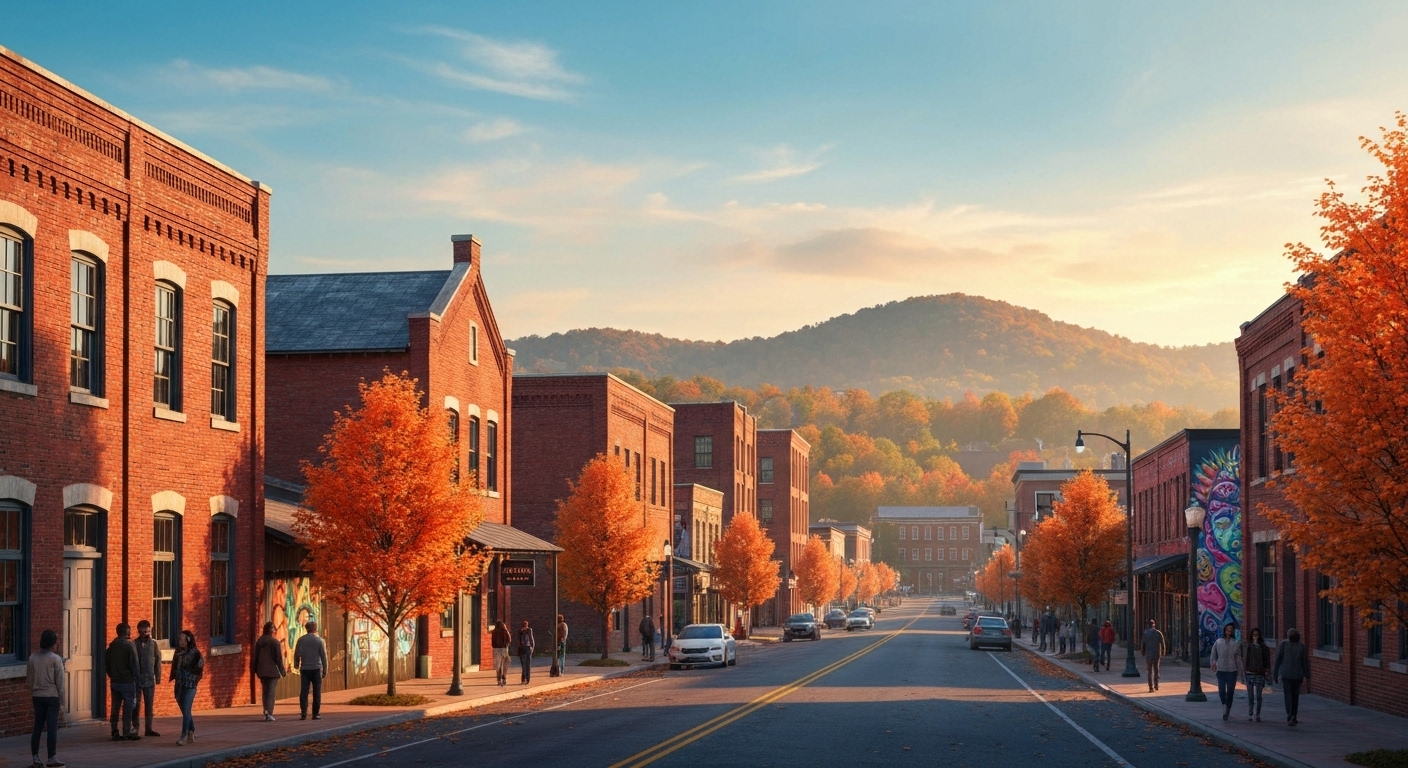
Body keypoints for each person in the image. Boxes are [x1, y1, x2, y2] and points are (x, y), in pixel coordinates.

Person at [27, 628, 65, 767]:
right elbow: (60, 682)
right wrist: (62, 699)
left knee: (37, 726)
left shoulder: (32, 658)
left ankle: (36, 757)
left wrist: (36, 688)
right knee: (52, 727)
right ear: (53, 644)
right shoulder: (56, 659)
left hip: (37, 696)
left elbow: (29, 681)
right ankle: (52, 757)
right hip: (52, 696)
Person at [105, 622, 140, 741]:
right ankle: (127, 731)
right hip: (127, 681)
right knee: (128, 707)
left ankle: (114, 729)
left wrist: (112, 675)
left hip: (115, 681)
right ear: (127, 632)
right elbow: (134, 665)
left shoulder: (111, 646)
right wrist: (137, 679)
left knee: (115, 707)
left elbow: (107, 664)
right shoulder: (130, 646)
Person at [170, 630, 204, 746]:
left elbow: (199, 670)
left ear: (188, 640)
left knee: (186, 708)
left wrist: (192, 679)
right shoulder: (177, 652)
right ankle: (191, 730)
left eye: (182, 639)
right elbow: (174, 667)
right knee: (185, 711)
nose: (180, 641)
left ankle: (184, 735)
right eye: (179, 639)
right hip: (179, 684)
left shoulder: (195, 653)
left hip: (190, 685)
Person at [1273, 628, 1310, 726]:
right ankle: (1293, 715)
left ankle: (1290, 714)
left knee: (1288, 695)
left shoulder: (1284, 645)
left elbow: (1278, 660)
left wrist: (1275, 673)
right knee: (1295, 696)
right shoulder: (1301, 646)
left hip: (1287, 674)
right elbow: (1305, 662)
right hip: (1298, 675)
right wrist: (1307, 674)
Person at [133, 620, 162, 737]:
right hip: (137, 679)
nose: (146, 632)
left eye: (147, 630)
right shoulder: (134, 644)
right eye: (143, 630)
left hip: (149, 679)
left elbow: (158, 660)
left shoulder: (154, 644)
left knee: (149, 705)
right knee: (136, 705)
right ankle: (135, 728)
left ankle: (148, 728)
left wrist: (158, 676)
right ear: (139, 630)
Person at [294, 620, 328, 720]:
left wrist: (296, 664)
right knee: (317, 691)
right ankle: (315, 713)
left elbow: (297, 653)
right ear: (315, 628)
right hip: (316, 668)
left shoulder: (301, 640)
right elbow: (323, 656)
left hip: (305, 668)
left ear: (307, 628)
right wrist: (325, 669)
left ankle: (303, 712)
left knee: (304, 691)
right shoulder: (320, 640)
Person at [253, 621, 287, 721]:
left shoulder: (259, 642)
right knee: (271, 692)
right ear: (272, 631)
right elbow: (278, 658)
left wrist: (255, 669)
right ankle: (269, 713)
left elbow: (255, 657)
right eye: (274, 630)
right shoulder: (274, 642)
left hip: (262, 670)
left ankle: (266, 710)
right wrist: (282, 671)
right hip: (272, 671)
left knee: (265, 691)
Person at [1210, 622, 1243, 720]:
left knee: (1230, 691)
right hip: (1221, 669)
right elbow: (1213, 654)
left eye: (1231, 630)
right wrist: (1213, 664)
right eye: (1228, 630)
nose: (1229, 632)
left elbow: (1238, 657)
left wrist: (1240, 670)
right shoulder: (1218, 642)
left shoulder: (1235, 643)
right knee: (1221, 690)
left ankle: (1228, 708)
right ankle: (1224, 704)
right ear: (1225, 630)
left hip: (1232, 670)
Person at [1243, 627, 1271, 722]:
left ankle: (1257, 714)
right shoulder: (1248, 647)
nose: (1255, 637)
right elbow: (1245, 659)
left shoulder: (1263, 647)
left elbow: (1267, 661)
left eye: (1257, 635)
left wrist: (1267, 671)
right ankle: (1250, 711)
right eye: (1253, 635)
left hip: (1260, 673)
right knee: (1250, 695)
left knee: (1259, 696)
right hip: (1249, 673)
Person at [1141, 619, 1166, 692]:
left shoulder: (1146, 633)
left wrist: (1142, 652)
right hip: (1156, 653)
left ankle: (1150, 687)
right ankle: (1156, 684)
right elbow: (1163, 643)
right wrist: (1164, 651)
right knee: (1156, 669)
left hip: (1148, 654)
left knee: (1149, 671)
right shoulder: (1158, 633)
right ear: (1154, 625)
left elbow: (1143, 644)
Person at [491, 620, 512, 686]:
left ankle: (499, 680)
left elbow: (492, 641)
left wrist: (494, 647)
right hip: (503, 648)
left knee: (498, 666)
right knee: (505, 663)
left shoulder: (494, 631)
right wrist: (506, 645)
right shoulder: (505, 630)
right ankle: (504, 677)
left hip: (496, 649)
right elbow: (509, 639)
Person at [517, 620, 535, 684]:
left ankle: (525, 678)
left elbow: (531, 639)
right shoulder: (522, 631)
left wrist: (532, 647)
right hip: (525, 648)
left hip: (526, 648)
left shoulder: (527, 630)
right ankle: (525, 678)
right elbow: (531, 640)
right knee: (526, 665)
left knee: (526, 665)